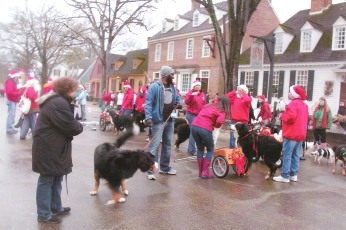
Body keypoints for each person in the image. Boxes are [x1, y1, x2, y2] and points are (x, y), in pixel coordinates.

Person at [32, 77, 83, 224]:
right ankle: (43, 213)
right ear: (67, 89)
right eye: (74, 89)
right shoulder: (57, 103)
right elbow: (71, 126)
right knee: (47, 178)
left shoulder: (57, 100)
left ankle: (55, 207)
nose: (75, 92)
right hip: (49, 147)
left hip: (53, 146)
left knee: (57, 177)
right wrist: (79, 126)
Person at [145, 65, 183, 180]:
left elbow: (178, 99)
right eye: (172, 74)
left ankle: (164, 168)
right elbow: (148, 103)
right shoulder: (154, 87)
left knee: (167, 145)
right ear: (166, 75)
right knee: (154, 146)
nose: (173, 76)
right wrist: (148, 117)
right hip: (158, 121)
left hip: (170, 120)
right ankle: (150, 170)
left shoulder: (172, 87)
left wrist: (179, 103)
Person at [273, 85, 309, 183]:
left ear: (294, 94)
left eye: (290, 92)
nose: (288, 94)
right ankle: (293, 174)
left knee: (287, 154)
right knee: (295, 155)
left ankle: (285, 175)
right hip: (300, 134)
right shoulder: (304, 105)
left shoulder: (293, 104)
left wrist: (282, 115)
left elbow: (290, 117)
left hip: (291, 133)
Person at [191, 96, 230, 178]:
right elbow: (219, 122)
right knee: (210, 149)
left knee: (200, 148)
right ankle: (205, 173)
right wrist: (214, 125)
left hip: (194, 126)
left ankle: (200, 172)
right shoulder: (222, 111)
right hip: (205, 128)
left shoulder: (208, 105)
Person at [184, 80, 206, 156]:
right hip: (191, 114)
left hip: (199, 115)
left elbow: (203, 104)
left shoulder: (202, 94)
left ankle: (196, 148)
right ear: (194, 86)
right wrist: (192, 95)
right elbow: (186, 101)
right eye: (196, 85)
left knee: (199, 132)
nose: (198, 87)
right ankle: (191, 150)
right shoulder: (190, 93)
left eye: (199, 86)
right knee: (194, 132)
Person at [19, 75, 39, 140]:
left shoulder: (24, 88)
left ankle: (22, 135)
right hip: (31, 107)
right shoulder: (30, 88)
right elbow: (32, 97)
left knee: (26, 121)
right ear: (31, 83)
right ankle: (35, 135)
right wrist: (37, 98)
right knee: (33, 121)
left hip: (26, 108)